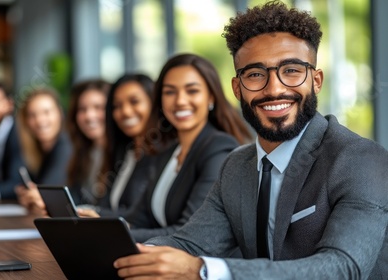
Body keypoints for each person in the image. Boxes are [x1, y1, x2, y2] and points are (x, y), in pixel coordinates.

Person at [113, 2, 388, 279]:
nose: (275, 89)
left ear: (316, 81)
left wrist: (204, 270)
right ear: (236, 88)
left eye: (291, 70)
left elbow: (343, 268)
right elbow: (190, 243)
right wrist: (113, 254)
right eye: (255, 75)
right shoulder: (236, 165)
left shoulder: (360, 159)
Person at [114, 53, 251, 243]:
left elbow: (189, 230)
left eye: (192, 91)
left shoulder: (219, 149)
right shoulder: (168, 152)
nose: (180, 101)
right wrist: (97, 224)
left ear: (211, 97)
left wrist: (116, 235)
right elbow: (138, 219)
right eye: (170, 92)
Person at [15, 79, 109, 213]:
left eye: (46, 112)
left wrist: (45, 199)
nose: (40, 120)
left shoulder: (67, 146)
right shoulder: (86, 150)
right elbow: (77, 198)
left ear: (60, 113)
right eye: (32, 115)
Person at [77, 74, 157, 217]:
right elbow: (105, 205)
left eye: (134, 101)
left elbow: (142, 218)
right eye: (117, 106)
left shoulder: (161, 156)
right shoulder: (126, 152)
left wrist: (102, 217)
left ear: (153, 103)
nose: (125, 111)